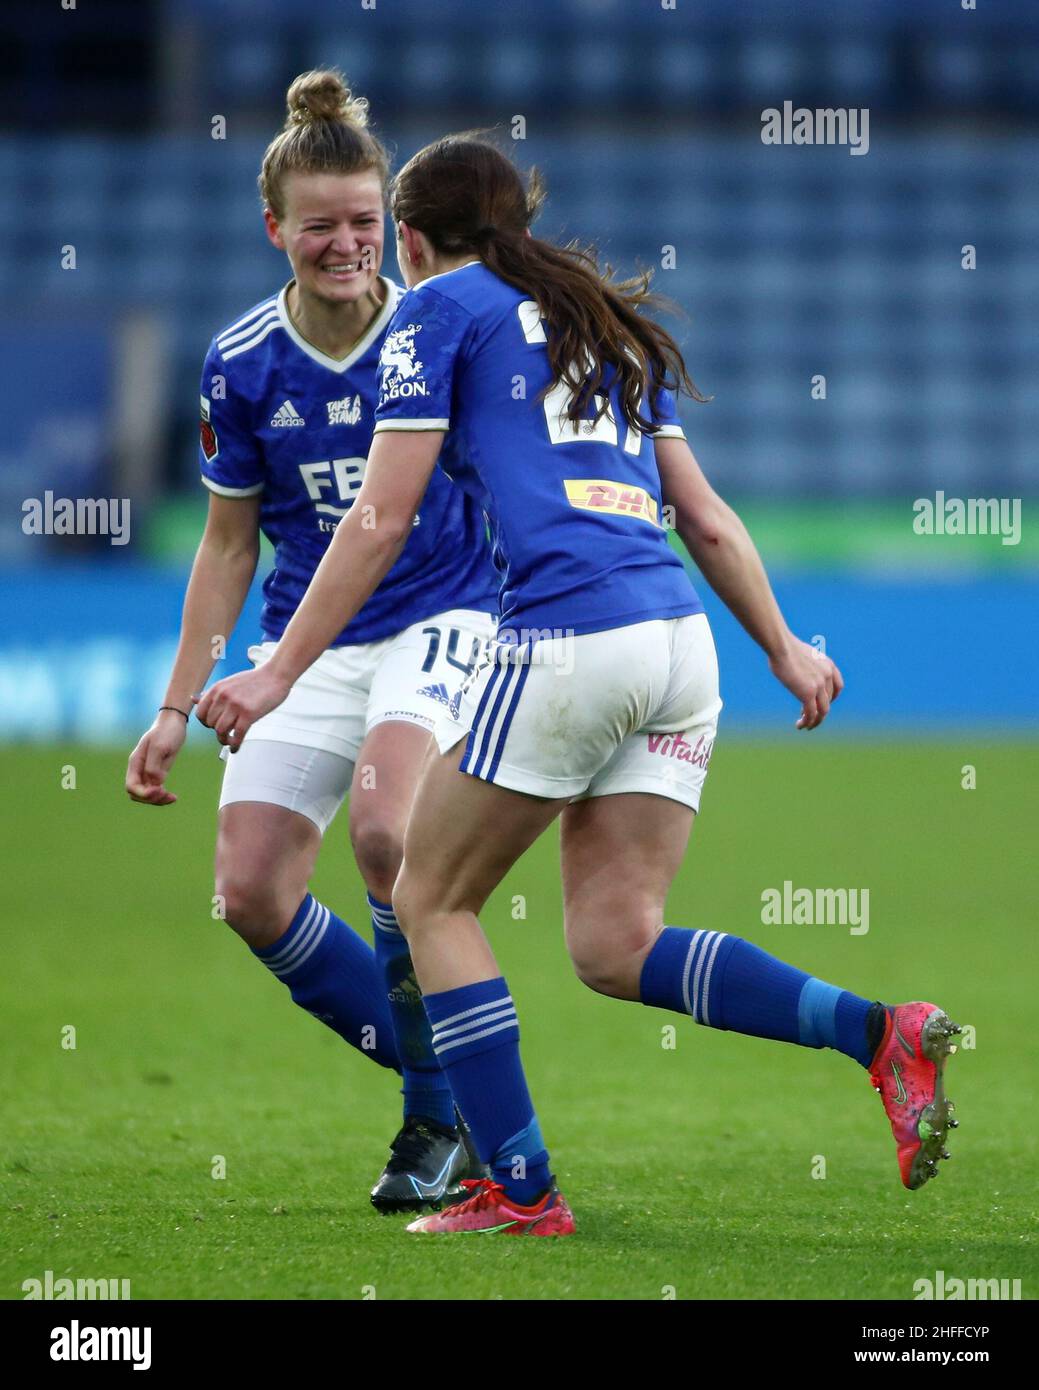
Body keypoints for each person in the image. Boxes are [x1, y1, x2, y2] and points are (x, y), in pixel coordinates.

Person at [195, 135, 960, 1237]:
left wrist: (278, 668)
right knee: (614, 942)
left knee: (427, 896)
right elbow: (701, 515)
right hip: (677, 645)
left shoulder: (432, 312)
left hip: (568, 639)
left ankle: (519, 1189)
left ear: (408, 238)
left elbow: (380, 516)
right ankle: (880, 1033)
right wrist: (783, 647)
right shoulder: (600, 319)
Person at [125, 78, 499, 1213]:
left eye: (364, 219)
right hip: (307, 636)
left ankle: (436, 1120)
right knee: (248, 891)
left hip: (444, 616)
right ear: (274, 228)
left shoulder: (440, 327)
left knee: (388, 829)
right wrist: (176, 702)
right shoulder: (241, 361)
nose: (345, 242)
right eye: (320, 222)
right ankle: (457, 1085)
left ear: (391, 220)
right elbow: (228, 543)